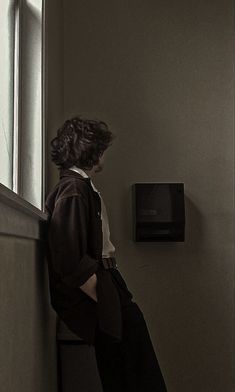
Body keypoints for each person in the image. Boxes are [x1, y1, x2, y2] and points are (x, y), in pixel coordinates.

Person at [45, 116, 167, 392]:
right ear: (92, 150)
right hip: (101, 288)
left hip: (108, 283)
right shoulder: (74, 190)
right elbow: (68, 259)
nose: (104, 155)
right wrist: (103, 297)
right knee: (130, 368)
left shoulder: (79, 188)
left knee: (130, 365)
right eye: (102, 148)